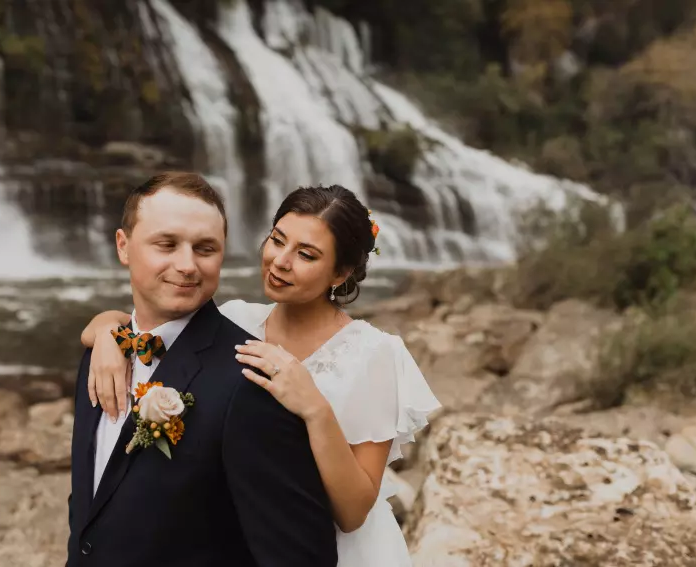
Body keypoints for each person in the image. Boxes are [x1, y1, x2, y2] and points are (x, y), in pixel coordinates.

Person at [82, 183, 442, 566]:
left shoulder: (374, 354)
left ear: (340, 273)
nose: (280, 261)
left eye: (306, 254)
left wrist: (315, 408)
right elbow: (147, 325)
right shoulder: (234, 318)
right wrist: (107, 331)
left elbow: (353, 513)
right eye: (277, 240)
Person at [65, 171, 338, 567]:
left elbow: (301, 555)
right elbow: (89, 507)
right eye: (167, 244)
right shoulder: (100, 351)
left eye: (205, 248)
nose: (187, 265)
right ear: (123, 246)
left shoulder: (249, 383)